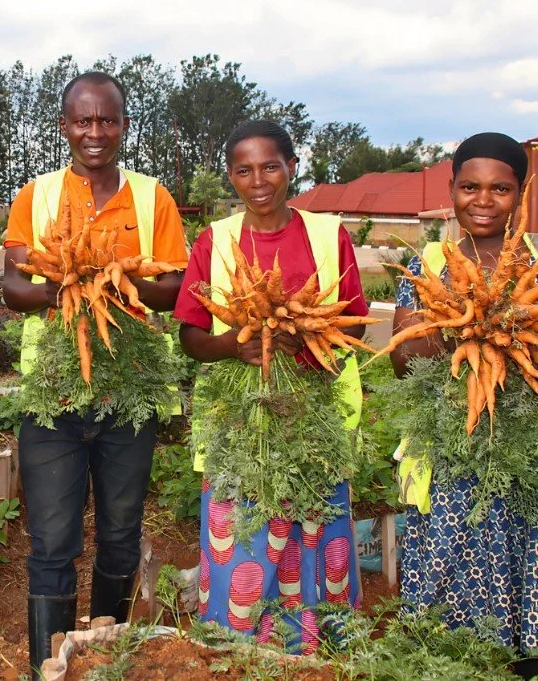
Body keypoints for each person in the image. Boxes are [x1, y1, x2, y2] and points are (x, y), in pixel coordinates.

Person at [2, 71, 188, 676]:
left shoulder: (153, 198)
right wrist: (66, 285)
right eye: (83, 120)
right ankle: (47, 666)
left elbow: (174, 287)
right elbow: (11, 288)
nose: (95, 131)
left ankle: (105, 658)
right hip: (52, 395)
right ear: (65, 126)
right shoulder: (37, 196)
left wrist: (118, 279)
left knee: (121, 533)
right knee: (52, 540)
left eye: (107, 119)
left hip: (129, 391)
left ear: (124, 125)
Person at [174, 120, 367, 653]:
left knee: (312, 543)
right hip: (238, 423)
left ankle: (312, 654)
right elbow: (189, 335)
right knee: (243, 545)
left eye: (270, 167)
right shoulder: (214, 240)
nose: (258, 181)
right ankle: (235, 651)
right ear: (230, 176)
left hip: (315, 419)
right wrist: (233, 344)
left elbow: (353, 324)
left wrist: (305, 338)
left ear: (291, 168)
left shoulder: (328, 235)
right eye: (244, 170)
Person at [392, 132, 537, 652]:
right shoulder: (428, 262)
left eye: (501, 188)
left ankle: (520, 655)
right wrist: (461, 326)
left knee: (520, 550)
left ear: (519, 194)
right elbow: (401, 360)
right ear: (451, 189)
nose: (484, 200)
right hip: (445, 444)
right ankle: (441, 654)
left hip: (525, 449)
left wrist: (513, 333)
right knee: (446, 554)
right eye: (470, 187)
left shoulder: (535, 264)